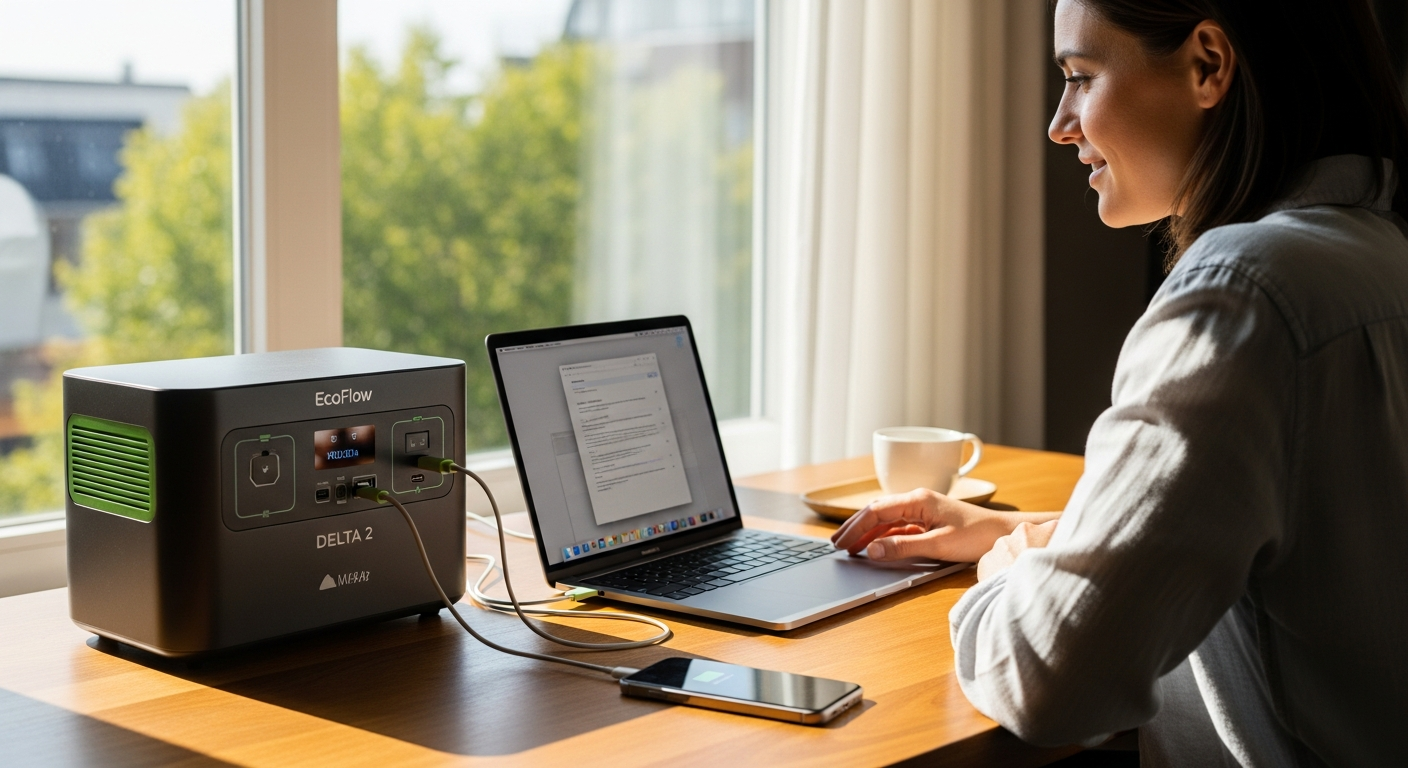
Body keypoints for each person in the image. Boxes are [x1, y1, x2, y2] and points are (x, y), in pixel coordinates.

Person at [830, 1, 1408, 765]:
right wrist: (1033, 532)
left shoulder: (1244, 294)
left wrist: (1012, 567)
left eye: (1080, 77)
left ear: (1208, 65)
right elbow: (1297, 545)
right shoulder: (1375, 257)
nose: (1060, 124)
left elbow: (1049, 680)